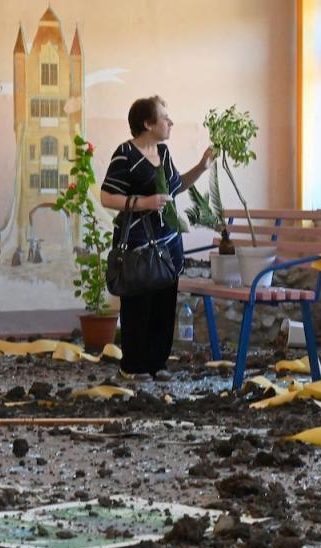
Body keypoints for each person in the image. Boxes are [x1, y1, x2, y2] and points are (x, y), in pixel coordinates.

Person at [100, 96, 213, 380]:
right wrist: (144, 203)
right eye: (164, 117)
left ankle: (157, 364)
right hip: (138, 244)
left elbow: (174, 188)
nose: (170, 121)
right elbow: (107, 196)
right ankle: (134, 367)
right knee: (138, 305)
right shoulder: (125, 153)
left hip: (168, 243)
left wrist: (201, 166)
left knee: (164, 303)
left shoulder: (163, 153)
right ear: (147, 123)